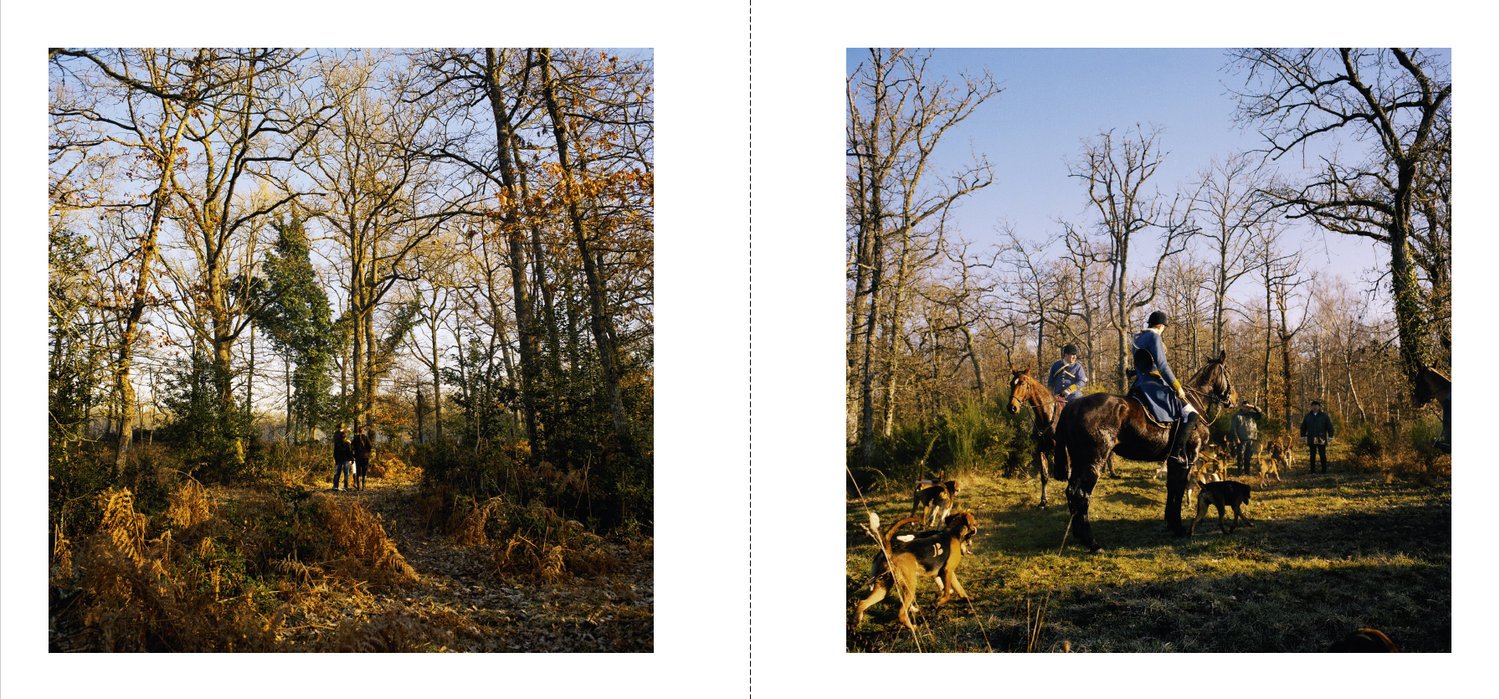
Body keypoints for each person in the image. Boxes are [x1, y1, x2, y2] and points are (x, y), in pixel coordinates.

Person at [1131, 310, 1199, 536]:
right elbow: (1161, 364)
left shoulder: (1137, 336)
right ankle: (1177, 453)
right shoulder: (1154, 337)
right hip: (1154, 385)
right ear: (1162, 326)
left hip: (1139, 384)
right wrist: (1178, 387)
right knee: (1190, 414)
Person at [1300, 400, 1335, 473]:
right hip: (1311, 437)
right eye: (1313, 406)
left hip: (1321, 438)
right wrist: (1302, 436)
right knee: (1312, 455)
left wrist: (1330, 435)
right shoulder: (1307, 416)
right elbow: (1303, 427)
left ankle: (1324, 470)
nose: (1315, 407)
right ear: (1311, 407)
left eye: (1316, 406)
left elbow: (1329, 426)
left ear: (1319, 407)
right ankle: (1312, 470)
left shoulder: (1324, 416)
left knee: (1322, 455)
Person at [1230, 401, 1262, 476]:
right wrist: (1236, 438)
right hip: (1241, 439)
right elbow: (1233, 428)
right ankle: (1239, 472)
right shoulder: (1237, 416)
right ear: (1241, 407)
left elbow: (1260, 414)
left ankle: (1247, 472)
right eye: (1245, 406)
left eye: (1247, 407)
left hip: (1251, 439)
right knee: (1240, 456)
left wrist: (1254, 407)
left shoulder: (1252, 415)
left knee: (1248, 457)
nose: (1246, 408)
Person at [332, 424, 353, 492]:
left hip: (338, 460)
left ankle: (335, 486)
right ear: (345, 437)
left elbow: (335, 452)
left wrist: (335, 459)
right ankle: (345, 487)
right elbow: (350, 452)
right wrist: (351, 459)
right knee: (346, 474)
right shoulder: (348, 443)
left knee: (337, 473)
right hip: (346, 460)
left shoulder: (337, 443)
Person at [352, 425, 373, 491]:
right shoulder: (366, 437)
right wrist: (367, 452)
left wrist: (354, 453)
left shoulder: (355, 438)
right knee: (364, 471)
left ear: (358, 431)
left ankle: (358, 487)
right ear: (363, 431)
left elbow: (351, 447)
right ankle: (363, 487)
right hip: (365, 457)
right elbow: (370, 446)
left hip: (358, 457)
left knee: (358, 471)